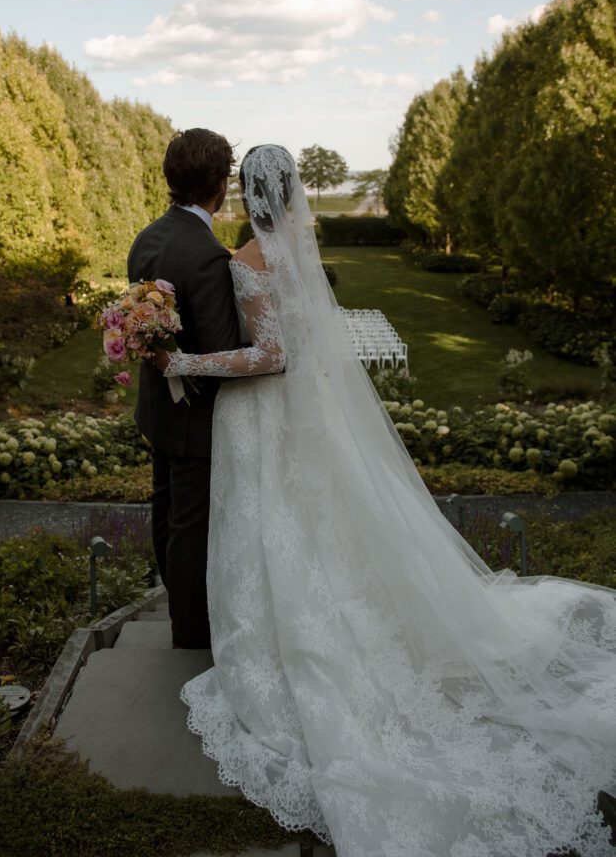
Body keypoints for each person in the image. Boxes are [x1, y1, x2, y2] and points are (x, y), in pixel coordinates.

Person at [156, 144, 616, 856]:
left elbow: (271, 355)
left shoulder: (244, 262)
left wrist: (182, 359)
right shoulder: (301, 247)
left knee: (278, 534)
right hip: (312, 419)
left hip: (265, 418)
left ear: (245, 193)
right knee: (321, 530)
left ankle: (284, 641)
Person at [127, 128, 243, 649]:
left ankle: (180, 610)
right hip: (197, 418)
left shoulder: (146, 237)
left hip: (157, 411)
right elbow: (218, 350)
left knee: (165, 512)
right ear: (220, 183)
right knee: (191, 528)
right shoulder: (208, 256)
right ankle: (191, 635)